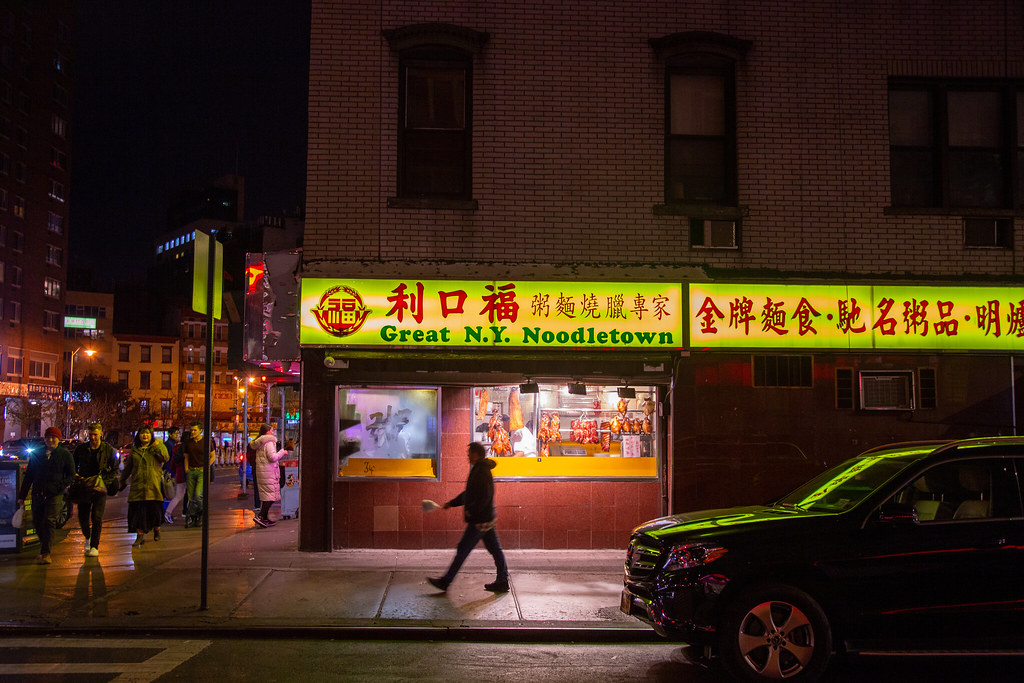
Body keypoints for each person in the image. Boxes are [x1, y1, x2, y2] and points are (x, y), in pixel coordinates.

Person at [428, 441, 510, 593]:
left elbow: (485, 495)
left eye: (470, 452)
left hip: (480, 520)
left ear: (476, 454)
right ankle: (503, 581)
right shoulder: (479, 469)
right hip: (486, 519)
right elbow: (469, 494)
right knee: (495, 550)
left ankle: (446, 582)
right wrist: (451, 503)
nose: (467, 455)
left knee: (463, 549)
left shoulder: (482, 471)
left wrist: (472, 510)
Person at [17, 427, 75, 564]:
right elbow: (29, 476)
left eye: (53, 437)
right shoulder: (38, 454)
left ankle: (46, 553)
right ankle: (45, 547)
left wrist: (59, 486)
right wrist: (22, 496)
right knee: (37, 521)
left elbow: (70, 475)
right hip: (38, 493)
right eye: (48, 437)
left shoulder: (65, 456)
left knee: (49, 521)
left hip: (54, 494)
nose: (50, 440)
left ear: (58, 439)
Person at [73, 423, 119, 557]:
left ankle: (94, 546)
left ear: (100, 434)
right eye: (91, 434)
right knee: (83, 516)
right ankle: (87, 536)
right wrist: (76, 477)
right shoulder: (81, 449)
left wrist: (105, 482)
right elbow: (73, 466)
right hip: (85, 486)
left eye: (95, 434)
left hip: (100, 487)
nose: (92, 437)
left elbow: (115, 468)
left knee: (97, 517)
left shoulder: (107, 449)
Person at [120, 426, 169, 547]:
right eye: (142, 433)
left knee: (155, 511)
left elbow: (165, 457)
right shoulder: (135, 450)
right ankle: (139, 536)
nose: (145, 436)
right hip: (138, 486)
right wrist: (122, 480)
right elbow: (128, 467)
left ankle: (156, 530)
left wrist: (156, 445)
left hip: (153, 486)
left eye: (147, 433)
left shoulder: (157, 447)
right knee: (137, 513)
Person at [250, 423, 288, 528]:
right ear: (268, 431)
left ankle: (265, 518)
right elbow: (272, 457)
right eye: (272, 430)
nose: (273, 432)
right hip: (269, 472)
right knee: (270, 497)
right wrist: (282, 452)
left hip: (263, 471)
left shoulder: (259, 442)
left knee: (268, 495)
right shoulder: (269, 442)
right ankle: (261, 516)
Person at [181, 422, 214, 528]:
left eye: (195, 430)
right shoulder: (189, 442)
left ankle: (202, 513)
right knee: (191, 497)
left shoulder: (206, 442)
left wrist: (206, 466)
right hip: (191, 471)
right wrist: (186, 468)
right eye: (192, 430)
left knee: (199, 495)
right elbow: (186, 456)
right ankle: (194, 517)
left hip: (201, 471)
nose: (193, 432)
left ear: (200, 430)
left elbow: (212, 456)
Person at [163, 428, 186, 525]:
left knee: (172, 495)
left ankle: (167, 513)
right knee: (171, 494)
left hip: (175, 473)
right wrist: (170, 472)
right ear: (170, 434)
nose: (178, 435)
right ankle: (167, 513)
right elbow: (168, 460)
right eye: (176, 434)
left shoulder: (174, 445)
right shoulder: (170, 445)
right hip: (176, 473)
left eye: (179, 434)